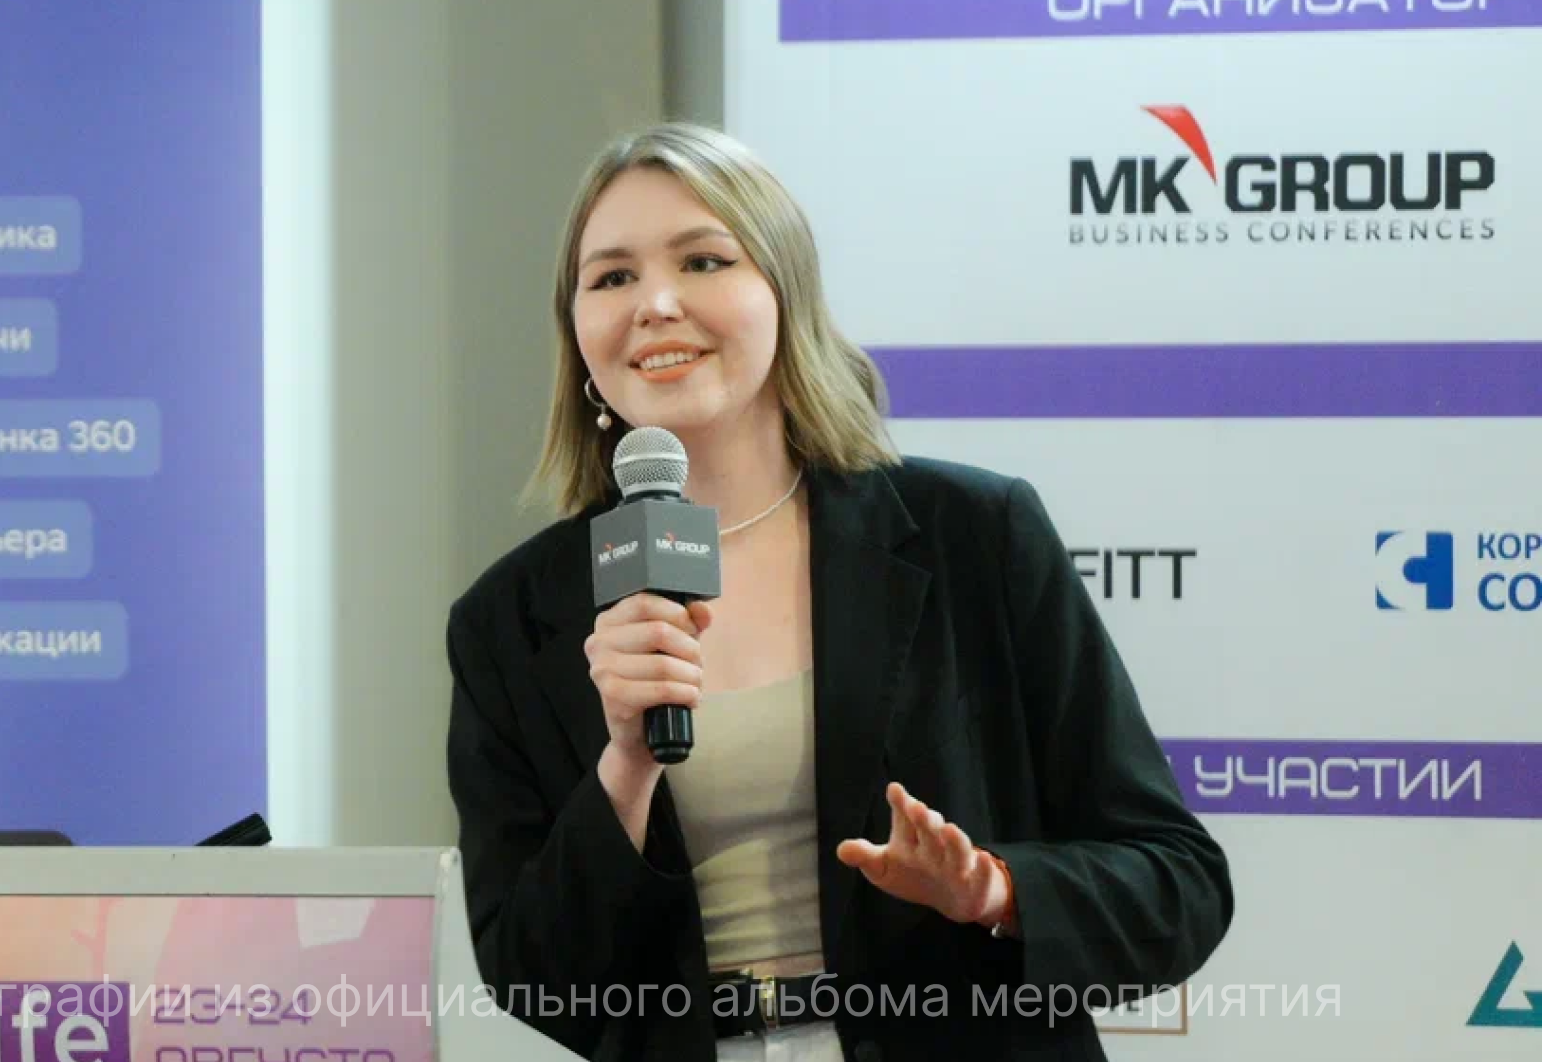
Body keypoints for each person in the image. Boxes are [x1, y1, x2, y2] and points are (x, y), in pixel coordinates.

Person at [443, 122, 1233, 1062]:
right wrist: (626, 766)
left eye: (703, 260)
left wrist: (992, 890)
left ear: (785, 290)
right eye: (611, 277)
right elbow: (537, 980)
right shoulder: (510, 620)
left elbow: (1178, 882)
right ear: (577, 335)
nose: (654, 304)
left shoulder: (973, 534)